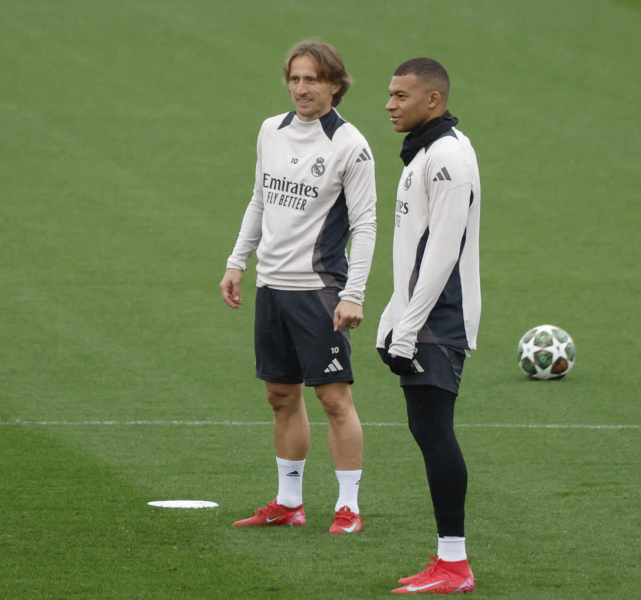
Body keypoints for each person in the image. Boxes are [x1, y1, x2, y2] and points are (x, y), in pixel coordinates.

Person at [220, 39, 376, 535]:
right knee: (281, 396)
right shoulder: (271, 130)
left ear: (335, 84)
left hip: (319, 289)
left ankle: (348, 507)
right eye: (295, 79)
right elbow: (259, 200)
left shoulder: (351, 145)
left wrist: (354, 293)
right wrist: (236, 260)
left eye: (312, 80)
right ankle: (290, 502)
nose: (301, 89)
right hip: (272, 286)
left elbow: (367, 225)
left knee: (333, 399)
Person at [377, 58, 481, 594]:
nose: (390, 104)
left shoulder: (446, 158)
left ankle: (454, 565)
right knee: (426, 428)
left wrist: (408, 327)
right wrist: (391, 317)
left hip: (439, 317)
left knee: (435, 429)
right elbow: (412, 247)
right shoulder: (425, 152)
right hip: (423, 314)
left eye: (400, 95)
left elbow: (441, 253)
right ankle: (450, 560)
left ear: (432, 100)